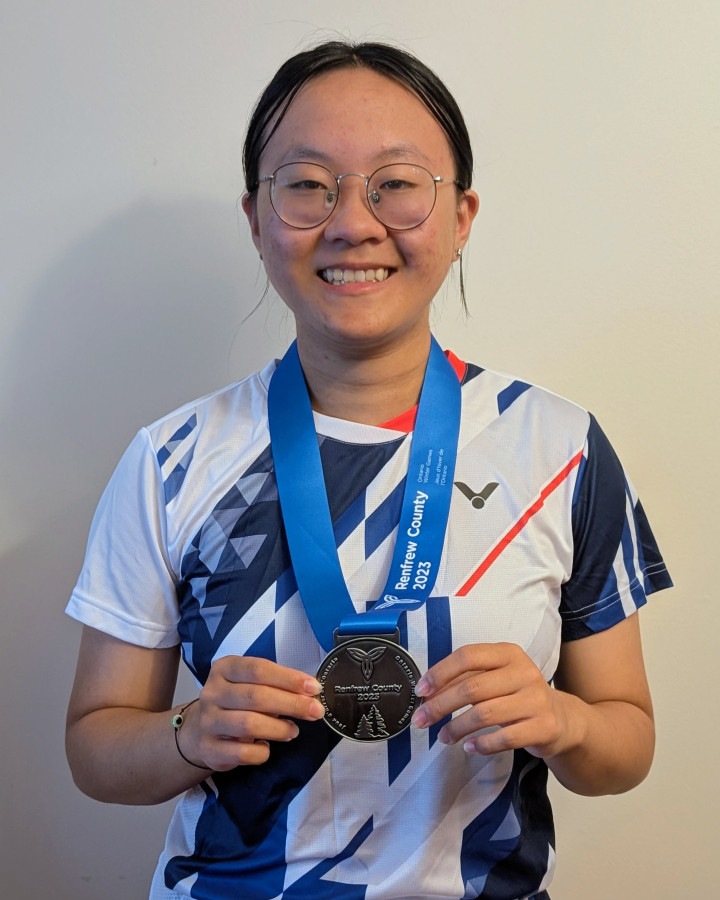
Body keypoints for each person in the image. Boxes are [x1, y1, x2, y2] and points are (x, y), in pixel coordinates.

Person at [65, 40, 672, 900]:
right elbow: (95, 746)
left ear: (461, 217)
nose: (353, 221)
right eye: (309, 184)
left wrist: (563, 720)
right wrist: (187, 732)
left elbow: (626, 745)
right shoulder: (171, 458)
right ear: (256, 219)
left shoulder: (559, 447)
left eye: (396, 182)